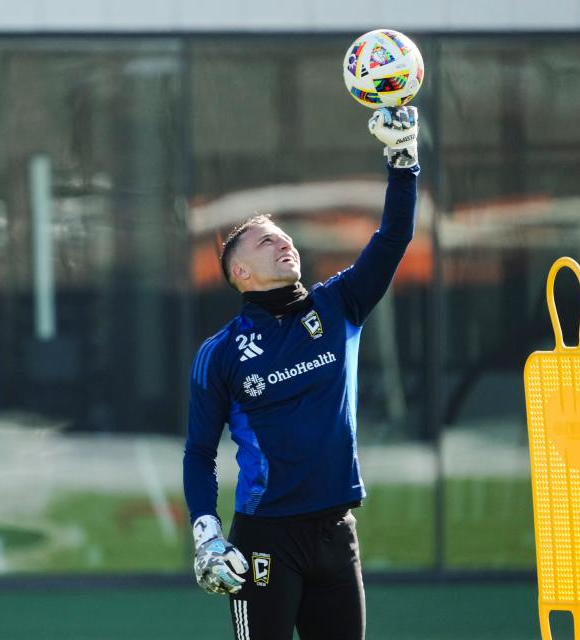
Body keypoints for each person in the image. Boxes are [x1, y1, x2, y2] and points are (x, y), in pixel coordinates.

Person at [183, 106, 420, 640]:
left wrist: (403, 158)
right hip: (265, 540)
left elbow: (393, 238)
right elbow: (199, 452)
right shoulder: (219, 353)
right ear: (239, 272)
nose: (283, 242)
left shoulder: (339, 306)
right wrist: (206, 535)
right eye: (265, 241)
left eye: (284, 236)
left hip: (338, 534)